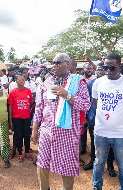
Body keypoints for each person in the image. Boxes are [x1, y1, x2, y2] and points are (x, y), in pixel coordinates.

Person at [31, 53, 91, 190]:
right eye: (53, 62)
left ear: (68, 64)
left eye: (58, 63)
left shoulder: (78, 81)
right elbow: (39, 107)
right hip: (47, 130)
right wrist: (35, 129)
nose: (54, 65)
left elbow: (86, 105)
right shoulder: (46, 83)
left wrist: (67, 95)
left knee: (68, 165)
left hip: (68, 132)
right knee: (42, 163)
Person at [92, 53, 123, 190]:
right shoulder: (98, 82)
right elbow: (96, 103)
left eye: (111, 68)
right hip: (101, 132)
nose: (107, 71)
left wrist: (122, 116)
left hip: (121, 134)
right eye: (105, 67)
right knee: (99, 162)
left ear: (119, 66)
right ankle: (96, 187)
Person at [83, 62, 117, 177]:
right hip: (93, 118)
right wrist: (86, 117)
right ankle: (93, 161)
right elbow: (86, 102)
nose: (100, 71)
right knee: (93, 142)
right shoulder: (91, 84)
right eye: (98, 69)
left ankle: (110, 166)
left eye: (102, 69)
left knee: (110, 143)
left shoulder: (112, 84)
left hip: (109, 119)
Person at [8, 72, 34, 163]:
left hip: (26, 117)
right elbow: (10, 107)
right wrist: (10, 120)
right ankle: (20, 153)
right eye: (20, 80)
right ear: (16, 81)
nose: (22, 81)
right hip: (16, 118)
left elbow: (30, 102)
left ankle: (27, 152)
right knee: (19, 136)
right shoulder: (12, 92)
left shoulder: (28, 91)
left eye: (23, 80)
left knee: (27, 135)